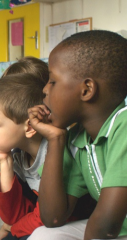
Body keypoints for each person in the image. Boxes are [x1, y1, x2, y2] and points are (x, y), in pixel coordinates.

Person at [27, 30, 127, 240]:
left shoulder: (124, 125)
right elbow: (52, 217)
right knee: (43, 236)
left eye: (53, 81)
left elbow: (106, 225)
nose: (45, 90)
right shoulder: (78, 138)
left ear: (86, 90)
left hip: (112, 230)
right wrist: (55, 139)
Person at [0, 73, 47, 240]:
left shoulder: (53, 153)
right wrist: (5, 162)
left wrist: (13, 229)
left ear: (30, 127)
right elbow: (12, 215)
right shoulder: (19, 156)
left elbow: (46, 217)